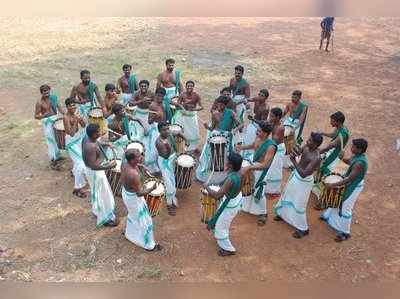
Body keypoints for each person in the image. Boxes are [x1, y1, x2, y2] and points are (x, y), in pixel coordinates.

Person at [273, 132, 323, 238]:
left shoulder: (316, 158)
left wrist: (293, 161)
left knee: (299, 204)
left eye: (310, 141)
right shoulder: (307, 146)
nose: (307, 141)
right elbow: (299, 151)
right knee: (288, 195)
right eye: (308, 139)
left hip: (304, 182)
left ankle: (303, 229)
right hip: (296, 176)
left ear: (316, 144)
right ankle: (283, 215)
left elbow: (304, 174)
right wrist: (294, 150)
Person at [320, 138, 368, 242]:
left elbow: (350, 179)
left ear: (360, 150)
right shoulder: (357, 156)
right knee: (339, 199)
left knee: (346, 206)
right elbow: (350, 161)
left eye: (354, 147)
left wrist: (333, 185)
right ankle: (328, 215)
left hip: (354, 185)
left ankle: (345, 232)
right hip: (351, 182)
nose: (351, 147)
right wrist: (341, 158)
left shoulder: (359, 163)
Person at [120, 149, 162, 251]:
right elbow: (139, 193)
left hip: (126, 194)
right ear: (132, 160)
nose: (141, 157)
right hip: (134, 199)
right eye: (138, 157)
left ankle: (130, 234)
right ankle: (149, 245)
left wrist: (140, 166)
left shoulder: (125, 164)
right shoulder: (133, 174)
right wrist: (152, 188)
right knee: (145, 221)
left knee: (133, 216)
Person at [236, 121, 277, 225]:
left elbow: (265, 165)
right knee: (248, 186)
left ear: (266, 133)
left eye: (259, 131)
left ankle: (263, 213)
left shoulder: (271, 146)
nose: (256, 132)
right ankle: (247, 206)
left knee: (259, 190)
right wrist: (242, 147)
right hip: (253, 164)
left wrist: (250, 167)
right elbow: (254, 145)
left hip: (261, 170)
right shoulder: (258, 137)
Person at [204, 152, 243, 256]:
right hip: (236, 199)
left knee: (221, 228)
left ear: (230, 165)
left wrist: (206, 187)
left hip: (229, 206)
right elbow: (226, 182)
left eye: (227, 161)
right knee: (221, 222)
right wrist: (218, 184)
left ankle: (228, 249)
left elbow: (217, 196)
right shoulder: (239, 172)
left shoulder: (230, 179)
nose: (225, 162)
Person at [196, 96, 242, 183]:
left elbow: (241, 125)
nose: (219, 107)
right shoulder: (215, 113)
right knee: (207, 156)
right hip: (214, 136)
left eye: (222, 105)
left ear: (225, 105)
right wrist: (207, 127)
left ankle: (224, 176)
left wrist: (234, 130)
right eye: (218, 105)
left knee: (226, 158)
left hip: (227, 137)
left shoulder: (231, 113)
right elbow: (212, 128)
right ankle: (210, 173)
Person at [82, 123, 118, 227]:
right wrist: (109, 166)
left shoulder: (87, 138)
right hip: (95, 173)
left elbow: (97, 144)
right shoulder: (91, 147)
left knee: (98, 192)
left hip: (93, 171)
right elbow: (93, 166)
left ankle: (97, 211)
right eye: (98, 132)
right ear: (93, 134)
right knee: (103, 195)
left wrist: (106, 144)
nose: (100, 133)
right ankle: (105, 219)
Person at [312, 111, 350, 198]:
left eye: (332, 121)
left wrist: (316, 152)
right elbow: (333, 135)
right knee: (322, 168)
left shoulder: (342, 134)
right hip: (333, 151)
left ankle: (322, 194)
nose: (330, 122)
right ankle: (318, 188)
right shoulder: (341, 127)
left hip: (333, 154)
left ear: (338, 122)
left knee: (325, 170)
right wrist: (323, 133)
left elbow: (329, 147)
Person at [34, 84, 65, 170]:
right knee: (50, 141)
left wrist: (65, 115)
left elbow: (60, 108)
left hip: (55, 121)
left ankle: (57, 156)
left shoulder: (54, 98)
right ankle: (53, 161)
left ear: (49, 90)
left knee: (56, 139)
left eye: (47, 90)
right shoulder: (39, 102)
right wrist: (44, 115)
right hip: (47, 123)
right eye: (44, 91)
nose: (46, 92)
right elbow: (36, 116)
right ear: (41, 93)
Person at [63, 97, 87, 198]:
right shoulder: (66, 117)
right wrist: (76, 121)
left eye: (74, 105)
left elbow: (84, 124)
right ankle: (77, 188)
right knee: (80, 164)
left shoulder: (76, 113)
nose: (72, 107)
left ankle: (74, 171)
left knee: (79, 162)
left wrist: (80, 119)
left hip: (79, 138)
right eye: (70, 105)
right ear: (67, 107)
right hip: (72, 142)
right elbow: (71, 133)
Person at [172, 80, 203, 152]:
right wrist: (182, 107)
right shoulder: (182, 94)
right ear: (186, 87)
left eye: (191, 86)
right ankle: (181, 146)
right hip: (183, 115)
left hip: (192, 116)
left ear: (193, 87)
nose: (189, 87)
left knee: (193, 132)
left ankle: (192, 147)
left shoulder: (196, 95)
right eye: (188, 86)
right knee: (182, 131)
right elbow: (178, 104)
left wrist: (194, 109)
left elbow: (202, 107)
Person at [155, 121, 178, 216]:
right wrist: (168, 148)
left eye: (168, 128)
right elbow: (165, 156)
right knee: (169, 184)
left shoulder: (169, 135)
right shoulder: (159, 142)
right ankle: (169, 205)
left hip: (171, 159)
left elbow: (175, 143)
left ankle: (171, 196)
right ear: (159, 131)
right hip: (165, 163)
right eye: (164, 130)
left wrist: (177, 153)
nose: (167, 131)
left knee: (172, 180)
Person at [241, 89, 270, 160]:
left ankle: (250, 158)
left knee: (252, 142)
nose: (260, 96)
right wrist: (245, 100)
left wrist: (250, 114)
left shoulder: (265, 108)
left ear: (266, 98)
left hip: (258, 127)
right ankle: (244, 157)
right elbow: (248, 99)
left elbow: (262, 122)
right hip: (252, 123)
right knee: (246, 140)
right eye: (259, 94)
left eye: (262, 96)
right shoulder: (257, 99)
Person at [282, 90, 308, 168]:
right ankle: (283, 158)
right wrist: (280, 119)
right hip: (288, 122)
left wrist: (294, 128)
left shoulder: (303, 107)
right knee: (284, 141)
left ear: (299, 98)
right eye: (292, 97)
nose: (293, 99)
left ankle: (288, 162)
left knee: (290, 143)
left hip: (296, 125)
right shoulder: (289, 104)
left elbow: (301, 120)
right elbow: (284, 113)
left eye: (295, 97)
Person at [265, 107, 286, 197]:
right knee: (271, 169)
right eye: (270, 115)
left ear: (278, 118)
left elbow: (274, 141)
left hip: (278, 149)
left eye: (272, 116)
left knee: (275, 169)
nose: (270, 117)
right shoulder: (273, 123)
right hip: (274, 147)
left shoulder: (280, 128)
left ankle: (274, 191)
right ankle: (269, 189)